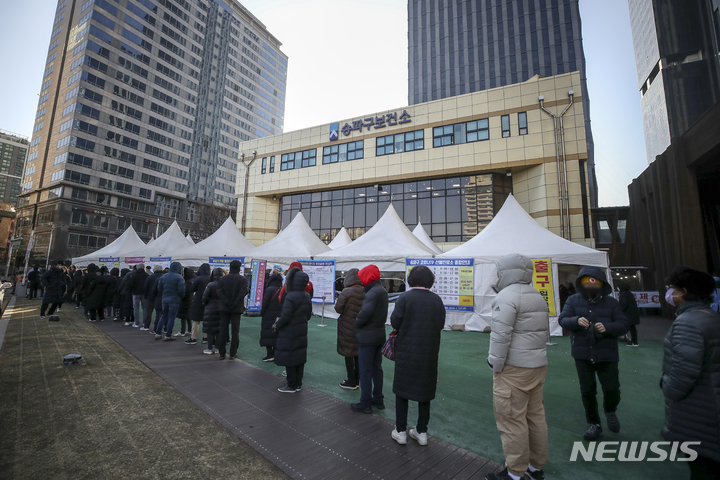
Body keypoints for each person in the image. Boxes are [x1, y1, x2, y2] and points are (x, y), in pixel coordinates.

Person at [485, 254, 549, 480]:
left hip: (513, 369)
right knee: (535, 416)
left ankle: (514, 472)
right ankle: (536, 466)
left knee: (512, 419)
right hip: (537, 365)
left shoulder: (507, 296)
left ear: (507, 272)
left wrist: (495, 363)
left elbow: (501, 336)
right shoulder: (537, 296)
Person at [661, 266, 720, 479]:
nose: (669, 293)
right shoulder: (709, 315)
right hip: (708, 404)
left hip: (699, 411)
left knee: (702, 469)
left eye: (672, 288)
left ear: (683, 291)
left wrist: (668, 388)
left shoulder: (689, 321)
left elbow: (684, 371)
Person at [558, 267, 629, 441]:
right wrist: (576, 321)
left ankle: (610, 410)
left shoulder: (611, 303)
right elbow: (562, 320)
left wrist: (608, 327)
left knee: (612, 389)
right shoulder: (573, 301)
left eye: (595, 282)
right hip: (582, 353)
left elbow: (624, 324)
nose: (590, 286)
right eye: (586, 282)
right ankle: (594, 423)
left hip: (607, 354)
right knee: (588, 390)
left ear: (602, 285)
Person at [390, 265, 445, 447]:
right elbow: (440, 324)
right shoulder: (436, 300)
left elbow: (395, 321)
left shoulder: (405, 298)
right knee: (425, 392)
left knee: (402, 392)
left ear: (411, 279)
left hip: (406, 351)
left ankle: (400, 431)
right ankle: (421, 432)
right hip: (429, 352)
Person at [351, 264, 388, 414]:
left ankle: (365, 402)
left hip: (367, 337)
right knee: (376, 369)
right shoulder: (382, 290)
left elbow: (365, 314)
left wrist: (356, 324)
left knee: (365, 370)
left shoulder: (372, 293)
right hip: (379, 335)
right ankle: (378, 399)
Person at [273, 265, 312, 393]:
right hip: (301, 330)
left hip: (289, 331)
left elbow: (285, 317)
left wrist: (276, 326)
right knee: (299, 358)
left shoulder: (290, 296)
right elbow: (308, 315)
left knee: (289, 358)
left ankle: (291, 385)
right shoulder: (306, 296)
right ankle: (298, 384)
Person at [334, 268, 365, 390]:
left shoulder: (346, 292)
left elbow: (338, 309)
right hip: (361, 326)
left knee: (348, 353)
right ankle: (357, 379)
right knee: (358, 353)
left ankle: (351, 380)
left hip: (347, 326)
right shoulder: (365, 291)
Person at [215, 260, 248, 360]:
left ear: (230, 267)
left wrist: (227, 303)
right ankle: (233, 353)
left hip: (224, 307)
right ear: (239, 268)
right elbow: (242, 293)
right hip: (236, 308)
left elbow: (219, 293)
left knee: (223, 329)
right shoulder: (242, 280)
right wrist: (234, 303)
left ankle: (222, 353)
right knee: (235, 331)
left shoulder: (222, 279)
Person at [154, 261, 185, 341]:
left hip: (164, 298)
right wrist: (181, 297)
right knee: (171, 317)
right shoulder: (179, 277)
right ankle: (168, 335)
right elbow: (182, 290)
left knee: (163, 316)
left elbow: (159, 288)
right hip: (174, 299)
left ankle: (158, 333)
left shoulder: (164, 276)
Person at [259, 271, 284, 361]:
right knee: (277, 334)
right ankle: (276, 353)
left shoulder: (269, 289)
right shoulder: (282, 289)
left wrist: (262, 313)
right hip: (279, 315)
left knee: (267, 334)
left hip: (268, 315)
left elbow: (265, 303)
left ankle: (270, 354)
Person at [186, 263, 212, 346]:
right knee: (206, 320)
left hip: (198, 300)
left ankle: (194, 338)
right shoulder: (211, 278)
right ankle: (206, 337)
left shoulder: (198, 279)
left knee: (196, 320)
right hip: (209, 301)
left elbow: (192, 289)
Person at [202, 268, 225, 354]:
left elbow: (204, 297)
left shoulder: (210, 285)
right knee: (219, 329)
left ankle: (209, 348)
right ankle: (218, 348)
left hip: (210, 308)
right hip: (222, 308)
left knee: (210, 329)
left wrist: (206, 304)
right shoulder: (224, 284)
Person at [174, 267, 196, 337]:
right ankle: (189, 330)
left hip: (186, 301)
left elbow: (185, 293)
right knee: (188, 316)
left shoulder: (187, 282)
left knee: (183, 317)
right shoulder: (193, 280)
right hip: (191, 300)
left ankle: (182, 331)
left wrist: (181, 296)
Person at [617, 282, 640, 347]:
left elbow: (624, 304)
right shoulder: (629, 293)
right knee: (632, 328)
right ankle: (634, 341)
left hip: (628, 314)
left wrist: (620, 310)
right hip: (632, 313)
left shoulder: (623, 294)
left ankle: (634, 341)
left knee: (631, 328)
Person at [142, 265, 163, 330]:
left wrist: (145, 296)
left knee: (148, 312)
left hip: (150, 296)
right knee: (159, 313)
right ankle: (158, 327)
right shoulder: (163, 277)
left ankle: (146, 326)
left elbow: (145, 287)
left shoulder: (150, 277)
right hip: (160, 297)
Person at [129, 263, 149, 328]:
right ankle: (144, 323)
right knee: (144, 308)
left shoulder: (134, 275)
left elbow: (131, 284)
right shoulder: (146, 275)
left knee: (136, 308)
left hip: (135, 293)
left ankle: (137, 322)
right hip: (144, 293)